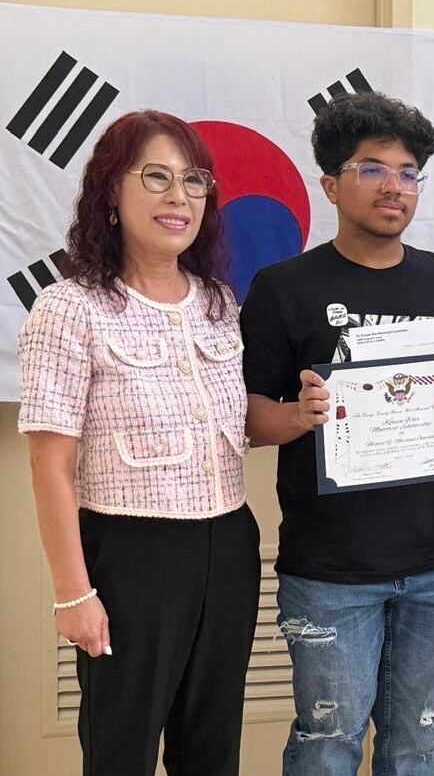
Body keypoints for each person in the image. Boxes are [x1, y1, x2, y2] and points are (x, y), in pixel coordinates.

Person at [240, 92, 434, 776]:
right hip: (329, 568)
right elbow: (245, 417)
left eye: (408, 172)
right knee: (327, 743)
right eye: (372, 169)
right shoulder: (283, 287)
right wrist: (299, 415)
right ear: (331, 184)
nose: (394, 186)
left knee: (417, 744)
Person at [18, 110, 260, 775]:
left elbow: (239, 422)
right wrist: (73, 592)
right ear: (111, 191)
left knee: (212, 748)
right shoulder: (70, 308)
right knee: (120, 749)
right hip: (130, 553)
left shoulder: (219, 303)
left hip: (229, 546)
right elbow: (49, 464)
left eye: (193, 180)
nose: (178, 196)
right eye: (156, 176)